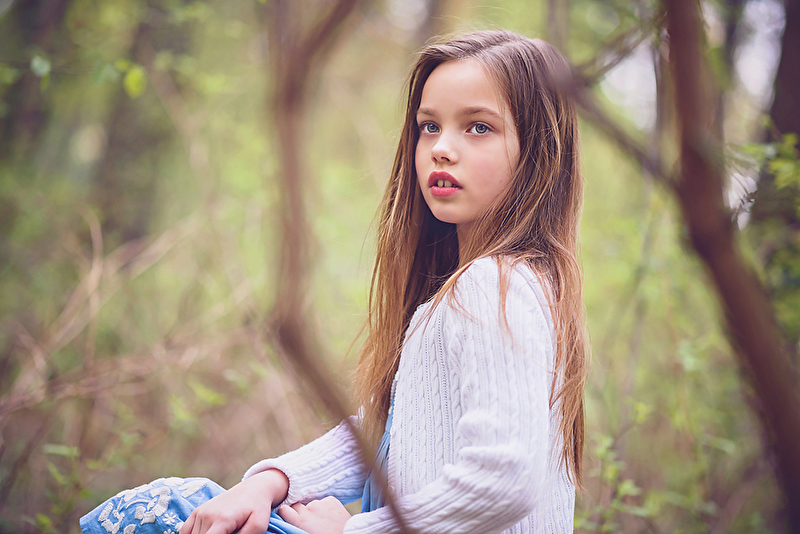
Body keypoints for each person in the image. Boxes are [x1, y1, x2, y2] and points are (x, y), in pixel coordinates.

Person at [79, 29, 588, 534]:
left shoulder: (493, 284)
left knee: (156, 512)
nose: (441, 149)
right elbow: (386, 428)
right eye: (429, 126)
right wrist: (271, 481)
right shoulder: (493, 286)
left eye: (478, 127)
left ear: (539, 153)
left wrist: (353, 532)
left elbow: (504, 481)